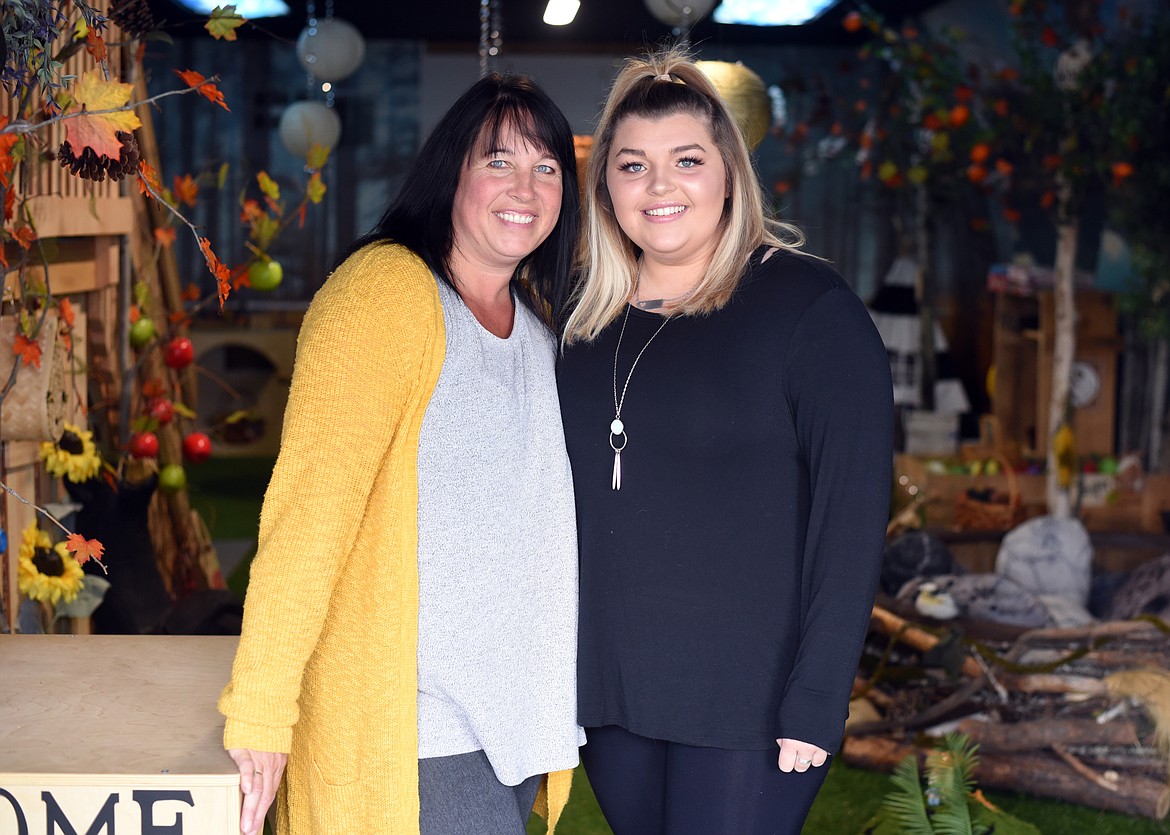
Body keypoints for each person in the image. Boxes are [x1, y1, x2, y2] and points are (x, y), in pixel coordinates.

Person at [218, 73, 584, 835]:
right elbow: (310, 508)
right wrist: (261, 702)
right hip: (417, 721)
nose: (526, 186)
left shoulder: (537, 327)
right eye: (499, 161)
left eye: (546, 167)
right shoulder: (384, 294)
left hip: (512, 718)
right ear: (451, 171)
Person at [558, 48, 894, 834]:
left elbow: (851, 523)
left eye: (686, 159)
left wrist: (818, 696)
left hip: (752, 697)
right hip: (612, 690)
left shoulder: (811, 311)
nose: (660, 186)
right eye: (633, 164)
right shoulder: (578, 321)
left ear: (729, 173)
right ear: (605, 182)